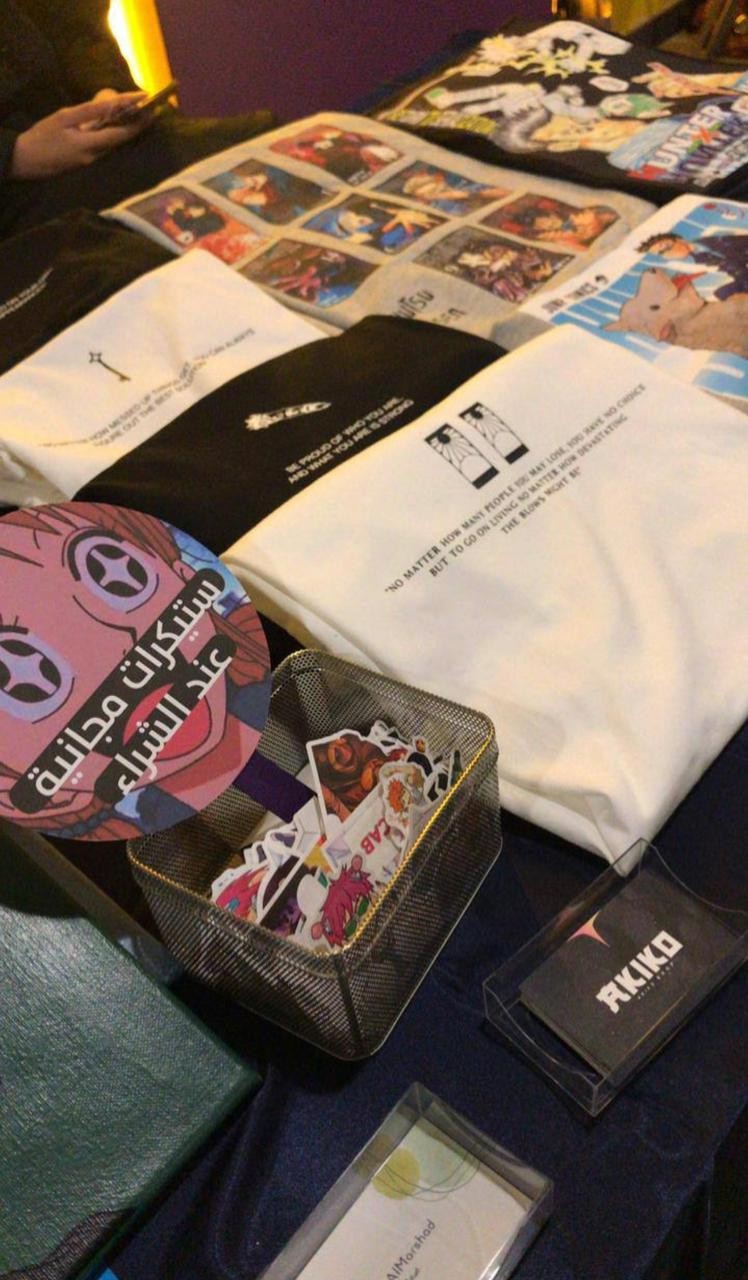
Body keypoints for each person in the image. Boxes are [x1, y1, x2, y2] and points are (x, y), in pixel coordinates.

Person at [0, 0, 275, 240]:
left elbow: (74, 27)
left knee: (260, 141)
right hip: (17, 198)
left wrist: (104, 92)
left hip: (87, 139)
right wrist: (17, 153)